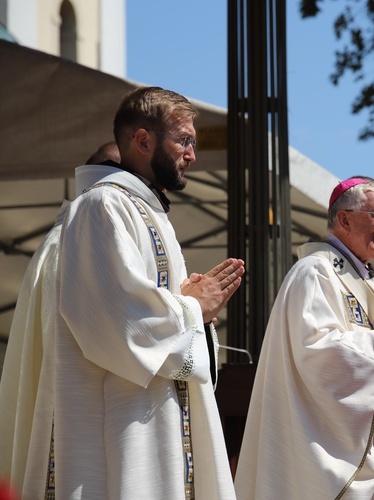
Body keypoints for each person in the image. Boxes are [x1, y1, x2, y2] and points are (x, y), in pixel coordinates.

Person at [15, 86, 245, 499]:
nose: (192, 154)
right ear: (143, 141)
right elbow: (119, 324)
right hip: (118, 428)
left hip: (153, 415)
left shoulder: (146, 210)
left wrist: (193, 308)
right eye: (184, 141)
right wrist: (193, 307)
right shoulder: (103, 206)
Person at [233, 176, 374, 499]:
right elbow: (316, 354)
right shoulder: (315, 272)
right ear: (345, 219)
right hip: (329, 449)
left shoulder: (364, 282)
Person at [0, 141, 120, 493]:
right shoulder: (73, 243)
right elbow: (109, 334)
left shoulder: (66, 238)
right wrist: (187, 312)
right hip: (72, 417)